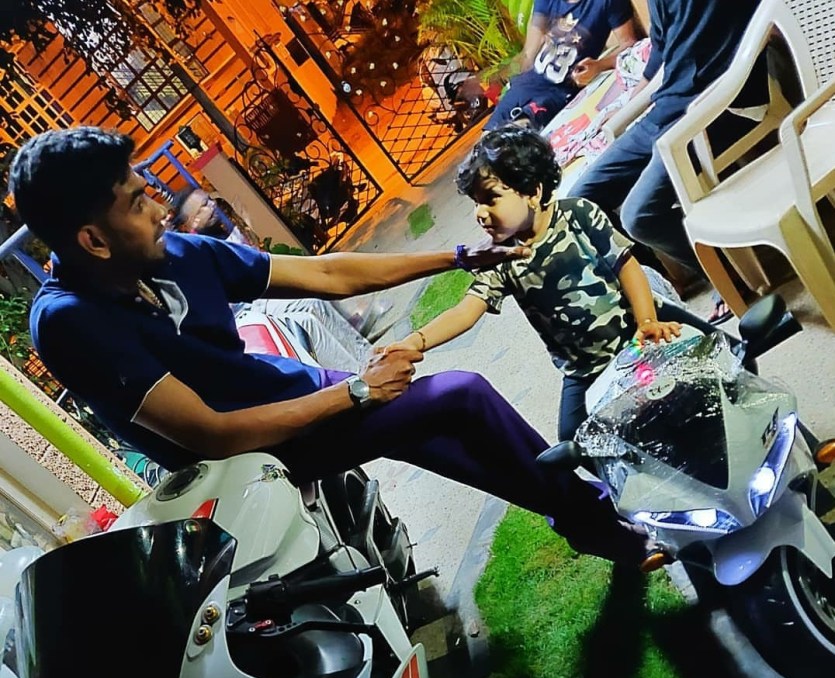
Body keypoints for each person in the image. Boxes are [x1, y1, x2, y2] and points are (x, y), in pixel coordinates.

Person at [8, 126, 656, 567]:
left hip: (299, 396)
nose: (159, 210)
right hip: (254, 459)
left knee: (443, 432)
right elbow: (211, 434)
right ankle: (596, 519)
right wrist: (358, 391)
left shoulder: (172, 252)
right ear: (93, 240)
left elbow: (326, 274)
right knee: (461, 396)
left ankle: (586, 523)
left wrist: (459, 255)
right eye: (137, 202)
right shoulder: (69, 323)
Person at [382, 126, 714, 443]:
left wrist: (647, 320)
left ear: (533, 191)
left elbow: (627, 266)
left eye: (491, 198)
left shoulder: (578, 214)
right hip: (585, 369)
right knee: (574, 439)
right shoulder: (499, 258)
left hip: (638, 327)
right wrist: (414, 341)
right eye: (475, 202)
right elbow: (466, 312)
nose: (480, 213)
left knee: (717, 350)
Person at [566, 0, 764, 321]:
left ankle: (728, 275)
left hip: (720, 105)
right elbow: (661, 54)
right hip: (666, 110)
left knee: (639, 215)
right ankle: (658, 288)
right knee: (580, 200)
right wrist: (625, 108)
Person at [170, 184, 372, 373]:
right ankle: (361, 367)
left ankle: (365, 355)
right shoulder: (199, 251)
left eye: (209, 200)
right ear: (192, 222)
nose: (212, 205)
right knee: (310, 305)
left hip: (258, 296)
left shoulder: (220, 231)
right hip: (247, 308)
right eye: (204, 206)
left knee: (312, 297)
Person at [485, 0, 638, 131]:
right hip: (525, 84)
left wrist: (599, 66)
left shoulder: (606, 2)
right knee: (486, 141)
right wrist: (493, 76)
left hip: (558, 92)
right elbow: (529, 52)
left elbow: (630, 43)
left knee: (518, 131)